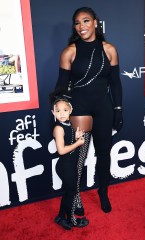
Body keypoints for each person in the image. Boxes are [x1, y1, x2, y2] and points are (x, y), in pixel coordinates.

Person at [55, 7, 123, 214]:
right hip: (80, 110)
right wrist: (60, 112)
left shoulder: (109, 49)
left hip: (103, 109)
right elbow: (60, 87)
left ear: (95, 22)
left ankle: (103, 193)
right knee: (78, 157)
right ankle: (75, 197)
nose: (81, 26)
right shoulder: (70, 51)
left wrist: (118, 109)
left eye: (86, 21)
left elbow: (115, 83)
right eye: (77, 23)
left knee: (104, 154)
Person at [50, 90, 89, 230]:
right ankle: (72, 220)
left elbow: (70, 145)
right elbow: (61, 150)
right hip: (65, 166)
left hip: (70, 165)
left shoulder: (69, 125)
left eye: (65, 110)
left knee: (68, 193)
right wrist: (78, 143)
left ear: (70, 110)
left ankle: (60, 217)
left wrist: (77, 137)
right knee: (71, 193)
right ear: (53, 112)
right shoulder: (58, 128)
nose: (62, 113)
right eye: (58, 110)